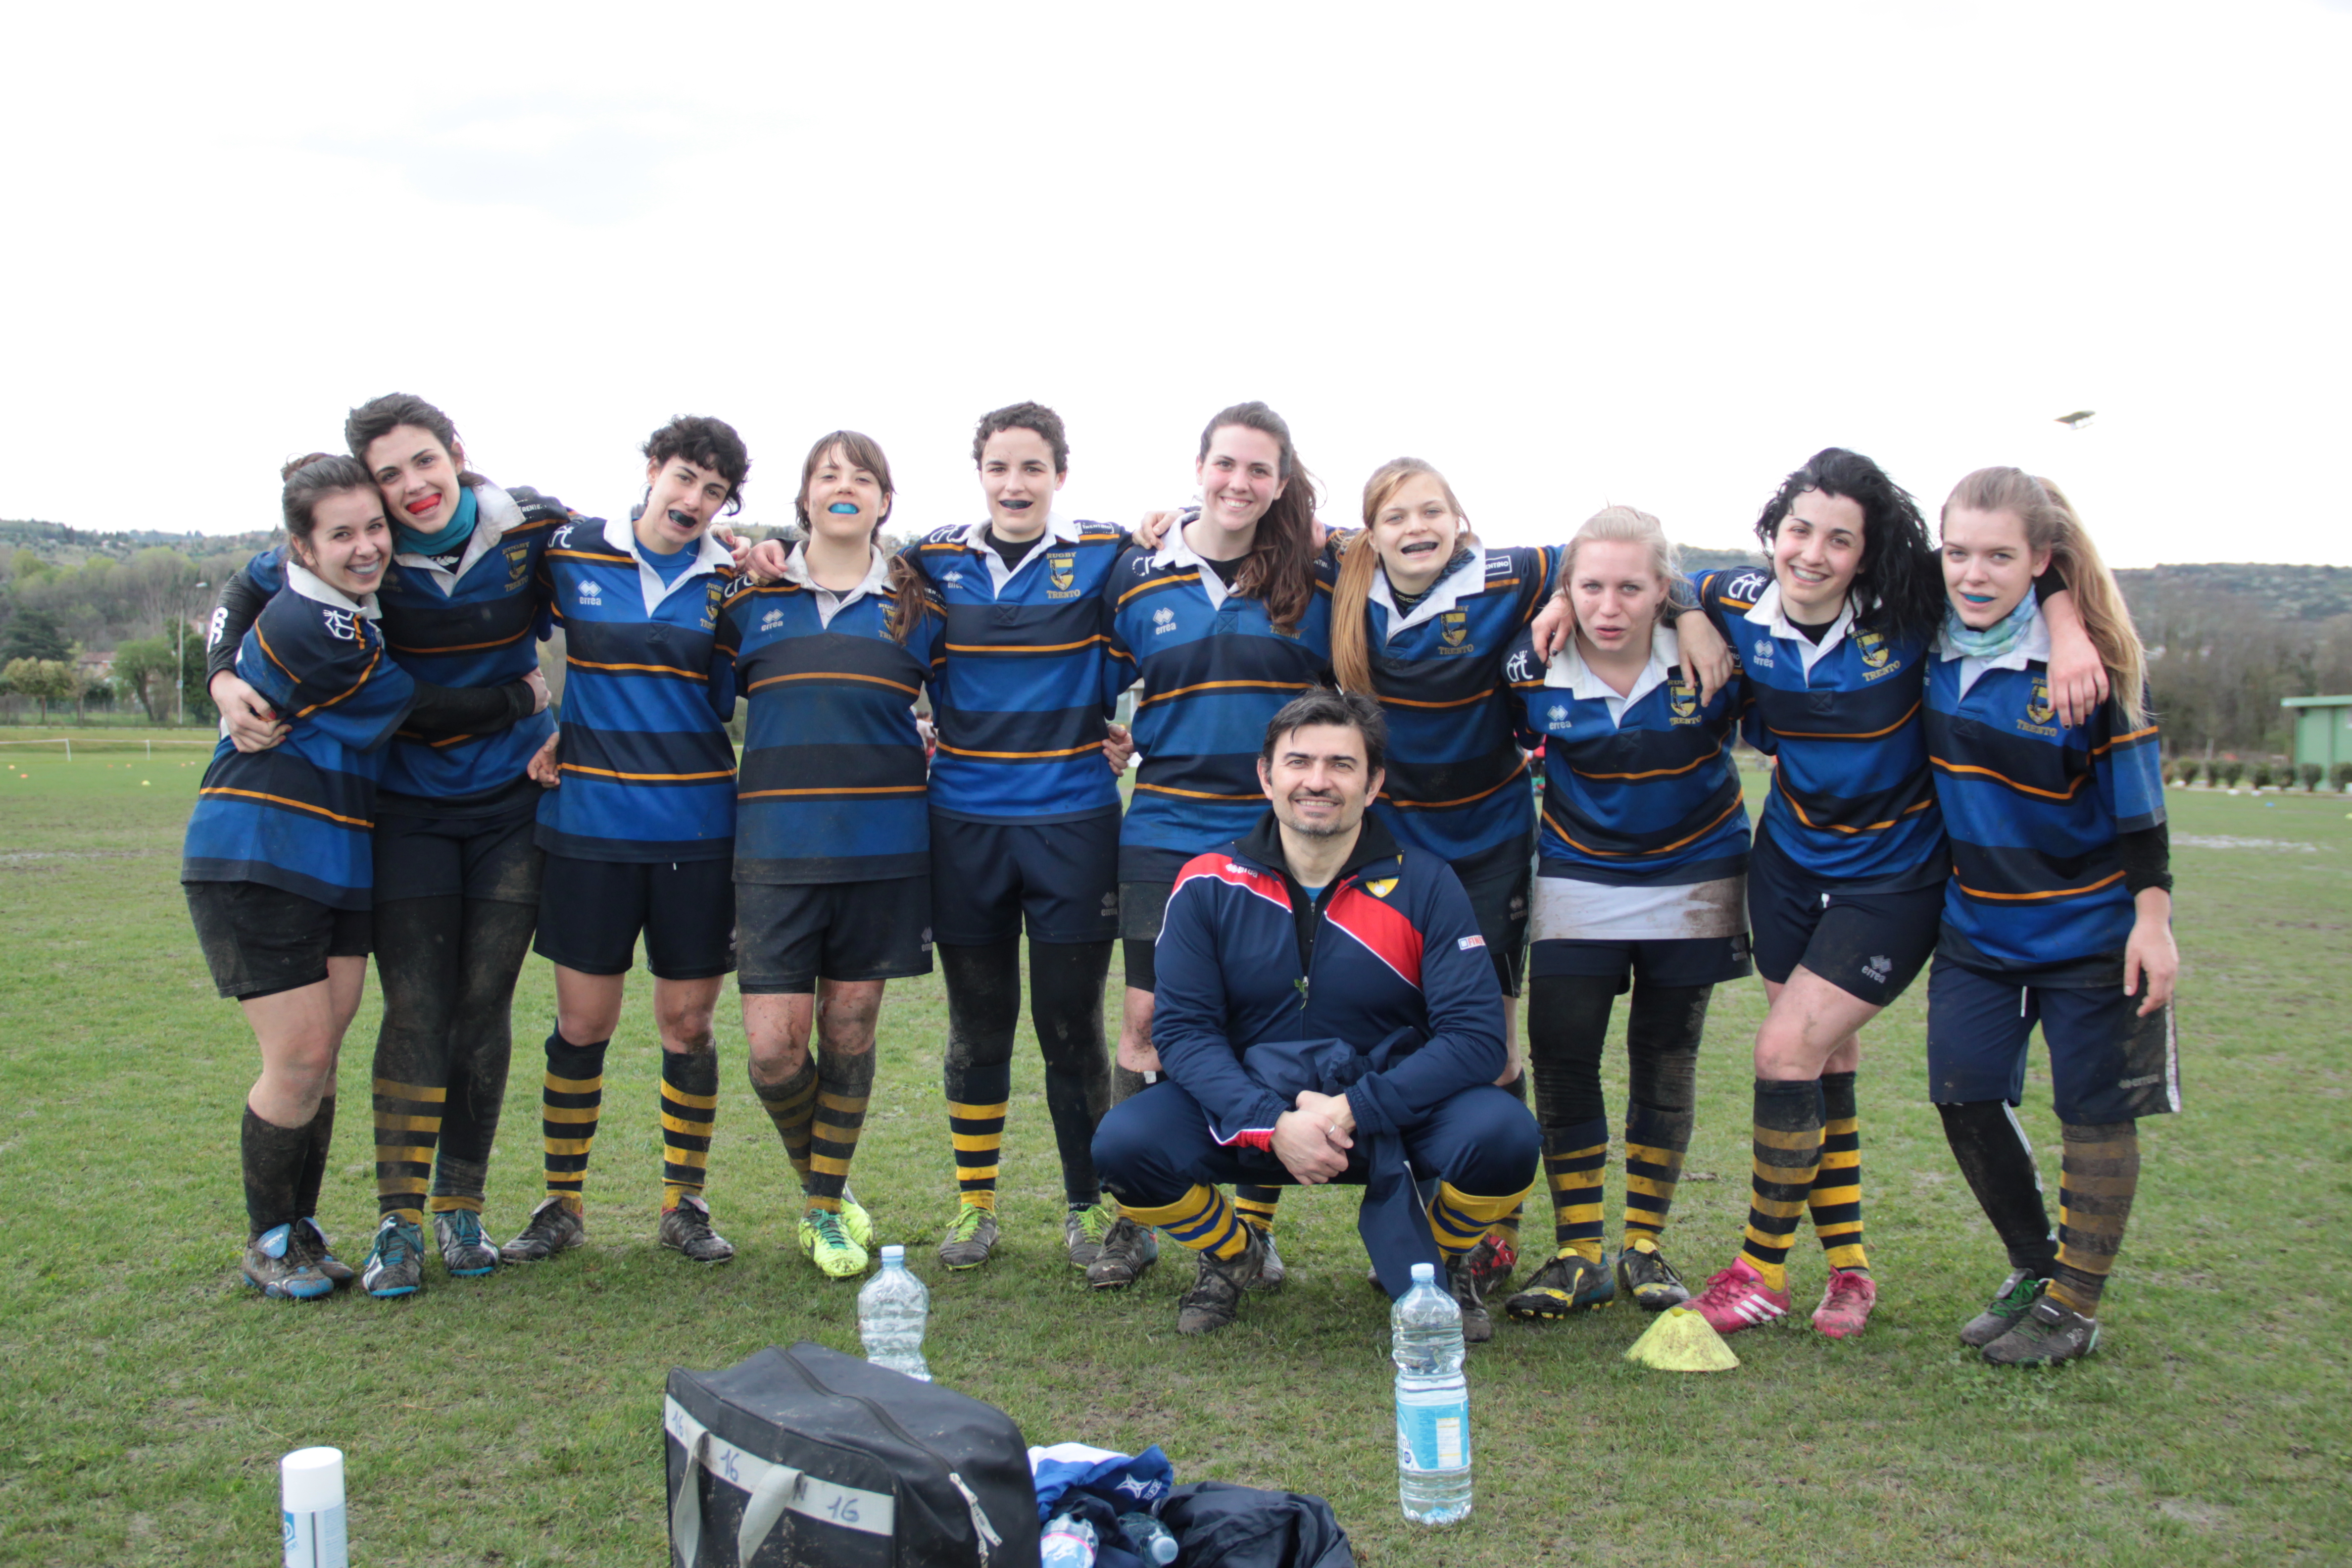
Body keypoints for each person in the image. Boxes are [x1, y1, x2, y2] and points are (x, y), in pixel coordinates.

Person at [1602, 447, 2101, 1339]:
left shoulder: (1914, 612)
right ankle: (1851, 1269)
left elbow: (2021, 578)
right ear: (1775, 531)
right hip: (1789, 865)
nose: (1813, 553)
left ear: (1868, 555)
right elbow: (1661, 581)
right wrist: (1685, 614)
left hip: (1894, 878)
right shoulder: (1739, 601)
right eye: (1799, 530)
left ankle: (1758, 1270)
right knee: (1822, 1063)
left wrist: (2067, 626)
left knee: (1786, 1049)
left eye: (1840, 539)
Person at [203, 394, 578, 1297]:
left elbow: (617, 605)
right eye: (388, 475)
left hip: (511, 805)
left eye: (424, 463)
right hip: (402, 807)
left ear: (458, 453)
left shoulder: (533, 527)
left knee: (484, 1005)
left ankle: (460, 1206)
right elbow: (248, 588)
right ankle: (395, 1223)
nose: (410, 489)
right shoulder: (362, 546)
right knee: (414, 1006)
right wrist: (219, 677)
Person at [1090, 688, 1540, 1337]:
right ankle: (1233, 1254)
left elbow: (1474, 1039)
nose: (1318, 781)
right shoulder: (1208, 882)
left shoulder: (1426, 883)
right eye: (1299, 762)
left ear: (1374, 781)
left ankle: (1432, 1261)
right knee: (1124, 1145)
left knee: (1506, 1138)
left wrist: (1356, 1107)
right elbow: (1184, 1034)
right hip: (1255, 1116)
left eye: (1342, 764)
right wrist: (1270, 1122)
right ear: (1266, 776)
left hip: (1388, 1114)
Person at [1923, 467, 2176, 1365]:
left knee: (2094, 1113)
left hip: (2091, 932)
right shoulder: (1926, 635)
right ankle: (2037, 1267)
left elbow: (2141, 813)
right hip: (1979, 931)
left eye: (2000, 555)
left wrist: (2154, 922)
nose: (1974, 573)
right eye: (1958, 552)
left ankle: (2077, 1302)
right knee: (1962, 1091)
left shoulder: (2095, 668)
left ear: (2042, 562)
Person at [1099, 401, 1336, 1294]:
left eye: (1259, 472)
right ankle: (1136, 1219)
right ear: (1198, 467)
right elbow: (1083, 669)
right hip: (1160, 826)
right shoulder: (1133, 573)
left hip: (1271, 839)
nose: (1239, 484)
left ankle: (1244, 1233)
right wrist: (1100, 733)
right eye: (1225, 465)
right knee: (1148, 1025)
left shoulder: (1315, 577)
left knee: (1260, 1031)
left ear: (1282, 484)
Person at [502, 415, 747, 1267]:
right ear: (652, 471)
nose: (694, 501)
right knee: (584, 1023)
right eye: (685, 479)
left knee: (687, 1025)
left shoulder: (733, 582)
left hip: (698, 830)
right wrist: (537, 715)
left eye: (714, 492)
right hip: (590, 830)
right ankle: (563, 1202)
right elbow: (490, 627)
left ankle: (686, 1202)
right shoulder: (569, 552)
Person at [1498, 505, 1751, 1321]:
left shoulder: (1712, 655)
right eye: (1592, 586)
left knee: (1664, 1055)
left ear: (1662, 589)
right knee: (1564, 1052)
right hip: (1580, 877)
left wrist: (1694, 616)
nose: (1611, 608)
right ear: (1566, 590)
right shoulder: (1531, 666)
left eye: (1632, 588)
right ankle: (1578, 1252)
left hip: (1697, 876)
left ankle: (1644, 1246)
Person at [727, 432, 943, 1279]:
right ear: (806, 499)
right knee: (774, 1049)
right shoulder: (748, 601)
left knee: (849, 1028)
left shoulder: (918, 607)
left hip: (884, 852)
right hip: (773, 855)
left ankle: (823, 1210)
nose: (844, 486)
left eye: (863, 477)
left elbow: (973, 704)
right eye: (827, 475)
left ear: (885, 502)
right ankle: (826, 1185)